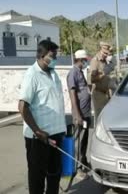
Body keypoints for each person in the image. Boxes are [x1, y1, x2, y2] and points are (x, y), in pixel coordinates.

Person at [18, 40, 66, 194]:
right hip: (39, 138)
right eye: (53, 55)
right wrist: (38, 131)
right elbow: (22, 107)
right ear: (41, 55)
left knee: (54, 176)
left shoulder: (53, 74)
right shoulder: (32, 75)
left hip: (56, 134)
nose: (55, 59)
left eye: (56, 55)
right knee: (37, 179)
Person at [66, 49, 91, 173]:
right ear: (81, 60)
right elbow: (73, 94)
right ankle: (77, 168)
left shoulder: (80, 72)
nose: (86, 62)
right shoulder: (73, 73)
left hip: (85, 113)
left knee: (84, 138)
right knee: (78, 141)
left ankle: (83, 161)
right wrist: (77, 115)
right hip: (80, 114)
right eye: (85, 60)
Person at [88, 42, 115, 122]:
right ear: (101, 50)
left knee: (105, 118)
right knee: (99, 119)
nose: (105, 55)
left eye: (107, 53)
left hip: (106, 94)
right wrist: (103, 74)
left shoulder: (104, 61)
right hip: (98, 93)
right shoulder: (95, 61)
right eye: (104, 53)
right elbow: (92, 79)